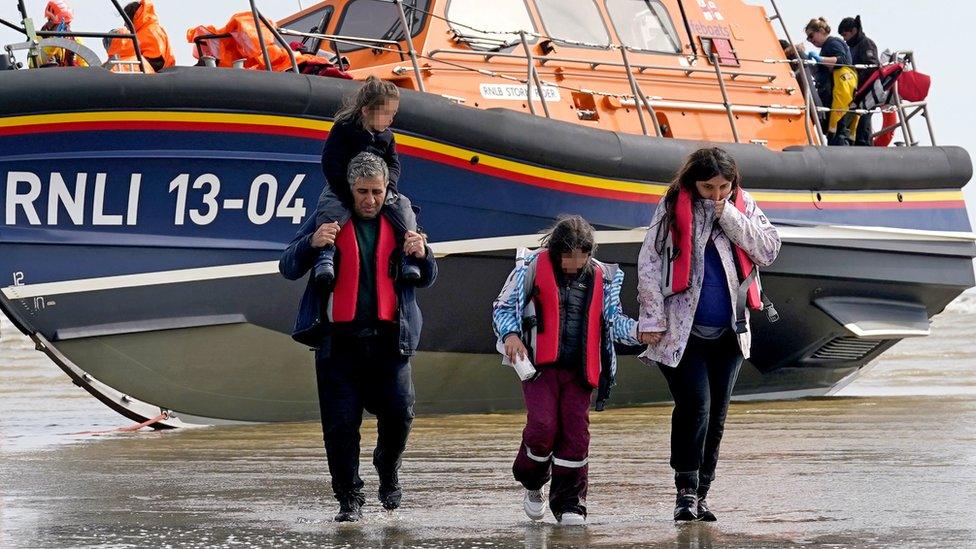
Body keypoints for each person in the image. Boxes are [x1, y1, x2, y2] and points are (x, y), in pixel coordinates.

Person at [278, 152, 437, 522]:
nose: (369, 200)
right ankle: (349, 499)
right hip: (339, 344)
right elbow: (287, 266)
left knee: (401, 414)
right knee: (340, 427)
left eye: (376, 192)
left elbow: (428, 278)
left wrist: (424, 254)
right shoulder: (328, 220)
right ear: (350, 191)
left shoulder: (401, 223)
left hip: (389, 342)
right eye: (362, 192)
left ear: (386, 191)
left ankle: (387, 466)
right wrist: (312, 242)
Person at [636, 148, 780, 522]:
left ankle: (703, 494)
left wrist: (729, 215)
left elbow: (769, 250)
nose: (716, 194)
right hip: (682, 333)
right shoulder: (670, 207)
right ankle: (684, 491)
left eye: (723, 186)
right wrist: (652, 319)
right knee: (695, 407)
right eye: (707, 187)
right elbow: (649, 262)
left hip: (731, 332)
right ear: (692, 182)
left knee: (717, 415)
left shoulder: (743, 205)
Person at [492, 215, 640, 525]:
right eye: (568, 255)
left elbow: (615, 323)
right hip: (539, 370)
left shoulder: (604, 277)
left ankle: (570, 504)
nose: (575, 262)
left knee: (576, 435)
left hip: (579, 373)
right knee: (543, 427)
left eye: (582, 255)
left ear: (589, 253)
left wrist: (642, 333)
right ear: (556, 250)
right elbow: (503, 308)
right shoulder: (528, 268)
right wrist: (511, 335)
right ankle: (533, 484)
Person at [313, 76, 420, 290]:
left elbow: (394, 164)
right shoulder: (344, 130)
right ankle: (325, 255)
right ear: (366, 111)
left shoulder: (387, 137)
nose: (390, 120)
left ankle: (409, 255)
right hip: (343, 188)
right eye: (387, 114)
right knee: (330, 208)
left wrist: (388, 188)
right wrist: (348, 194)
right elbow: (330, 163)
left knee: (403, 206)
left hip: (381, 188)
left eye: (393, 115)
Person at [805, 17, 858, 145]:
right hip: (832, 96)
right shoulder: (827, 46)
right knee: (834, 134)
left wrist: (820, 59)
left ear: (821, 30)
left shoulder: (832, 42)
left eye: (811, 36)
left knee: (839, 134)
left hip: (839, 96)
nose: (811, 40)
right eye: (808, 38)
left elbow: (843, 61)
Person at [839, 16, 880, 146]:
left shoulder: (866, 44)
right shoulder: (851, 48)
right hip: (856, 93)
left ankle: (864, 145)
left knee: (863, 123)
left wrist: (855, 82)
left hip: (867, 91)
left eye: (845, 35)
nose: (844, 39)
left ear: (854, 30)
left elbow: (871, 67)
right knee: (855, 125)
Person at [106, 0, 175, 72]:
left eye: (126, 21)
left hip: (159, 75)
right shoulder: (142, 31)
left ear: (133, 19)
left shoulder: (152, 31)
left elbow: (157, 61)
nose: (124, 24)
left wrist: (133, 63)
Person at [779, 39, 823, 132]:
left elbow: (802, 68)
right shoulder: (798, 54)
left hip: (811, 103)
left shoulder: (795, 56)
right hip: (812, 103)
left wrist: (793, 74)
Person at [32, 1, 87, 68]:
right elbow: (34, 64)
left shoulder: (75, 40)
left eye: (67, 24)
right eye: (60, 24)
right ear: (50, 21)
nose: (65, 27)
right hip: (48, 77)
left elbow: (85, 67)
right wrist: (55, 41)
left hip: (70, 76)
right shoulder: (38, 39)